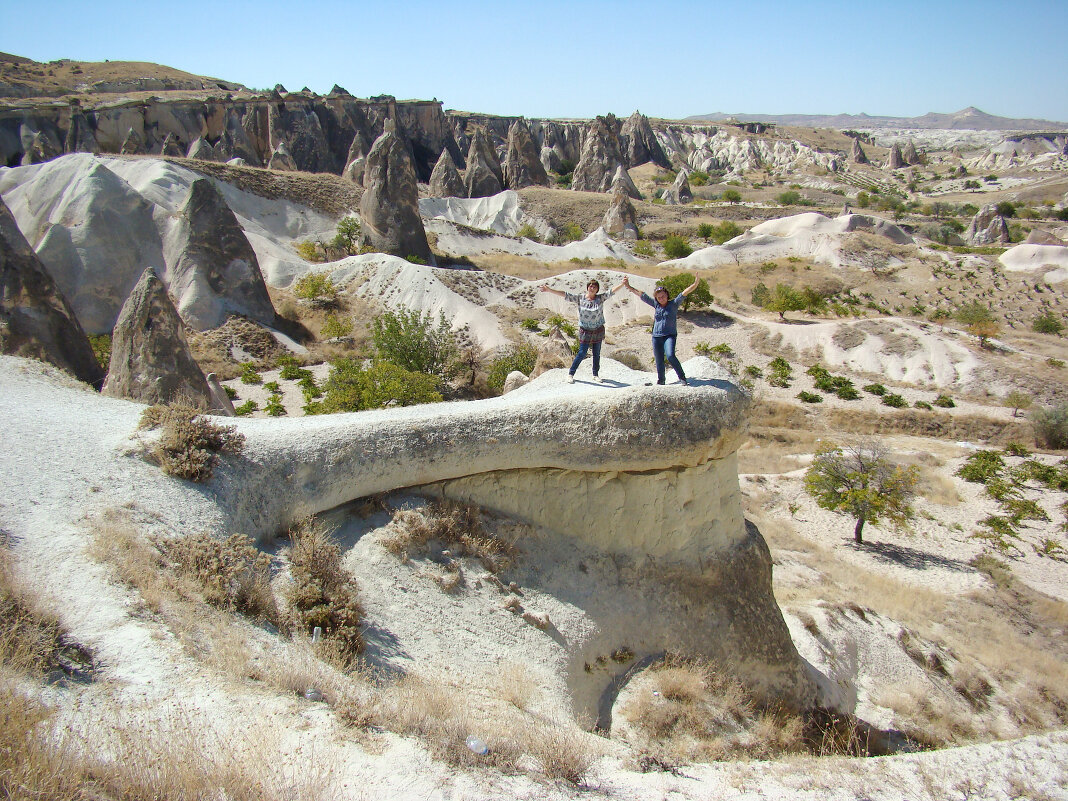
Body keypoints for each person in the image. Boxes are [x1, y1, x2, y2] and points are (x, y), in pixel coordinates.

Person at [540, 278, 625, 383]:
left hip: (598, 330)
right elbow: (565, 295)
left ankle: (595, 374)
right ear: (587, 288)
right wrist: (549, 290)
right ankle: (571, 374)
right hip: (585, 330)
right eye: (590, 286)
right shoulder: (580, 298)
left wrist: (622, 284)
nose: (592, 288)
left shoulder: (600, 298)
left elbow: (611, 291)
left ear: (597, 289)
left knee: (596, 353)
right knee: (582, 353)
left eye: (594, 287)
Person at [622, 275, 700, 385]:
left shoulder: (673, 304)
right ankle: (661, 380)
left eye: (663, 296)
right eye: (659, 297)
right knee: (659, 360)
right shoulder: (656, 305)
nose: (661, 299)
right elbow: (642, 295)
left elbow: (684, 293)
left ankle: (682, 377)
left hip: (669, 335)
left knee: (670, 355)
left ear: (667, 295)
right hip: (656, 336)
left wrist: (695, 284)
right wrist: (628, 286)